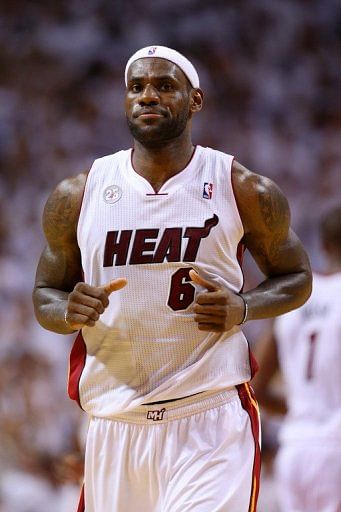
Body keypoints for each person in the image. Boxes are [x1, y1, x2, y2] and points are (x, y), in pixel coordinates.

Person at [32, 45, 312, 512]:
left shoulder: (240, 186)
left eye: (164, 86)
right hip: (115, 422)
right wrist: (67, 309)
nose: (147, 97)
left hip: (209, 419)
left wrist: (243, 306)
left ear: (194, 100)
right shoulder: (78, 194)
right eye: (136, 88)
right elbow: (45, 294)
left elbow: (297, 276)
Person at [252, 204, 341, 512]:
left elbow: (257, 388)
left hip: (296, 449)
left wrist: (304, 410)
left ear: (325, 245)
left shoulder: (297, 298)